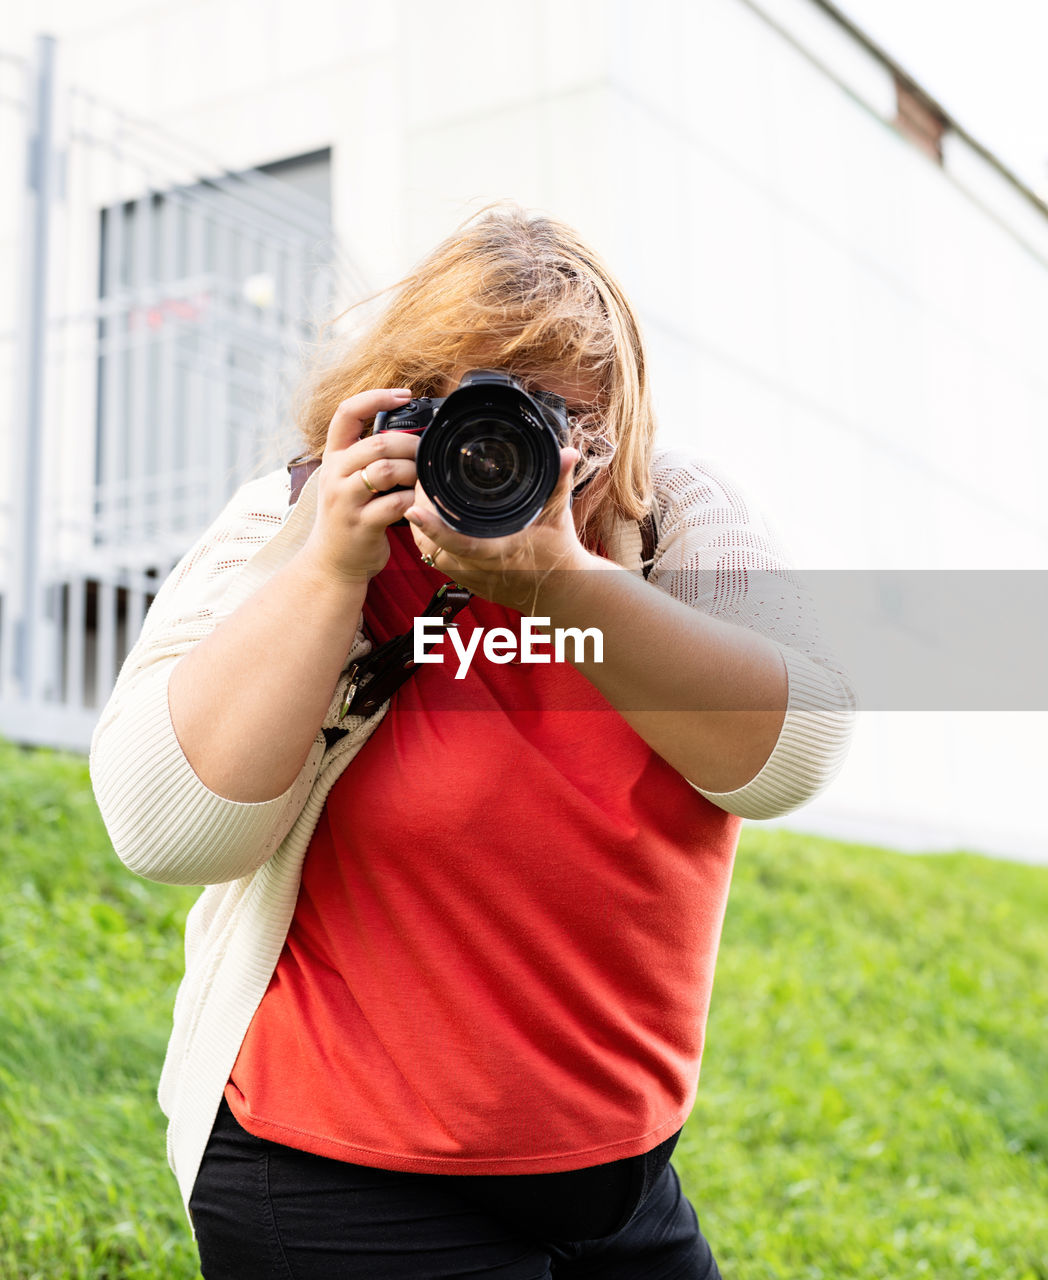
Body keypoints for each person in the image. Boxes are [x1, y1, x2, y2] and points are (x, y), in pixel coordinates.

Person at [90, 202, 856, 1279]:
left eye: (553, 417)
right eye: (459, 405)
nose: (500, 444)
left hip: (615, 1184)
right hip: (344, 1176)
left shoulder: (669, 519)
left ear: (613, 425)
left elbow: (791, 754)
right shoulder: (304, 520)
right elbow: (164, 825)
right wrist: (325, 571)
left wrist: (559, 583)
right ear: (396, 396)